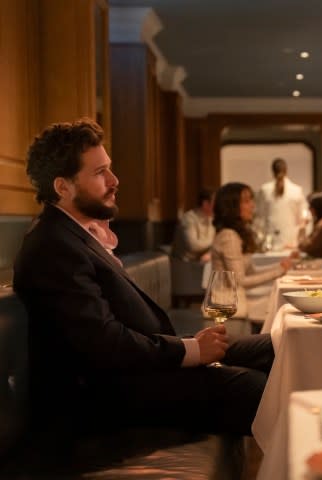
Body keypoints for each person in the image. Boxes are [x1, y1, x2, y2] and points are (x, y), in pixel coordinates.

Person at [13, 119, 273, 437]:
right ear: (62, 187)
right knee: (257, 388)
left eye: (109, 169)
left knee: (272, 349)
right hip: (110, 394)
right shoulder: (52, 246)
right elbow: (103, 344)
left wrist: (187, 346)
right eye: (99, 173)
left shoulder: (76, 234)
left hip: (143, 365)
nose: (114, 180)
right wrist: (190, 350)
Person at [211, 182, 294, 325]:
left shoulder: (233, 234)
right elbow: (241, 281)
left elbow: (250, 272)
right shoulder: (229, 236)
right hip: (228, 306)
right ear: (232, 206)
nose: (252, 205)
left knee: (282, 303)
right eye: (247, 201)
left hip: (237, 300)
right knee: (285, 304)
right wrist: (279, 270)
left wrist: (280, 267)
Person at [255, 158, 309, 249]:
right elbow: (304, 218)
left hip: (270, 241)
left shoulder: (264, 190)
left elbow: (259, 218)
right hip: (291, 242)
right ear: (286, 170)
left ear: (272, 171)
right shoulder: (297, 190)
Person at [171, 187, 215, 261]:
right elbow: (193, 246)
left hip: (200, 263)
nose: (218, 206)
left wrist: (211, 252)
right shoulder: (189, 219)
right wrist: (215, 242)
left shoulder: (211, 219)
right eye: (215, 203)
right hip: (184, 265)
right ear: (205, 204)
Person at [297, 192, 322, 258]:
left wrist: (302, 227)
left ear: (317, 207)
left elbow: (305, 247)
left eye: (311, 206)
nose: (309, 209)